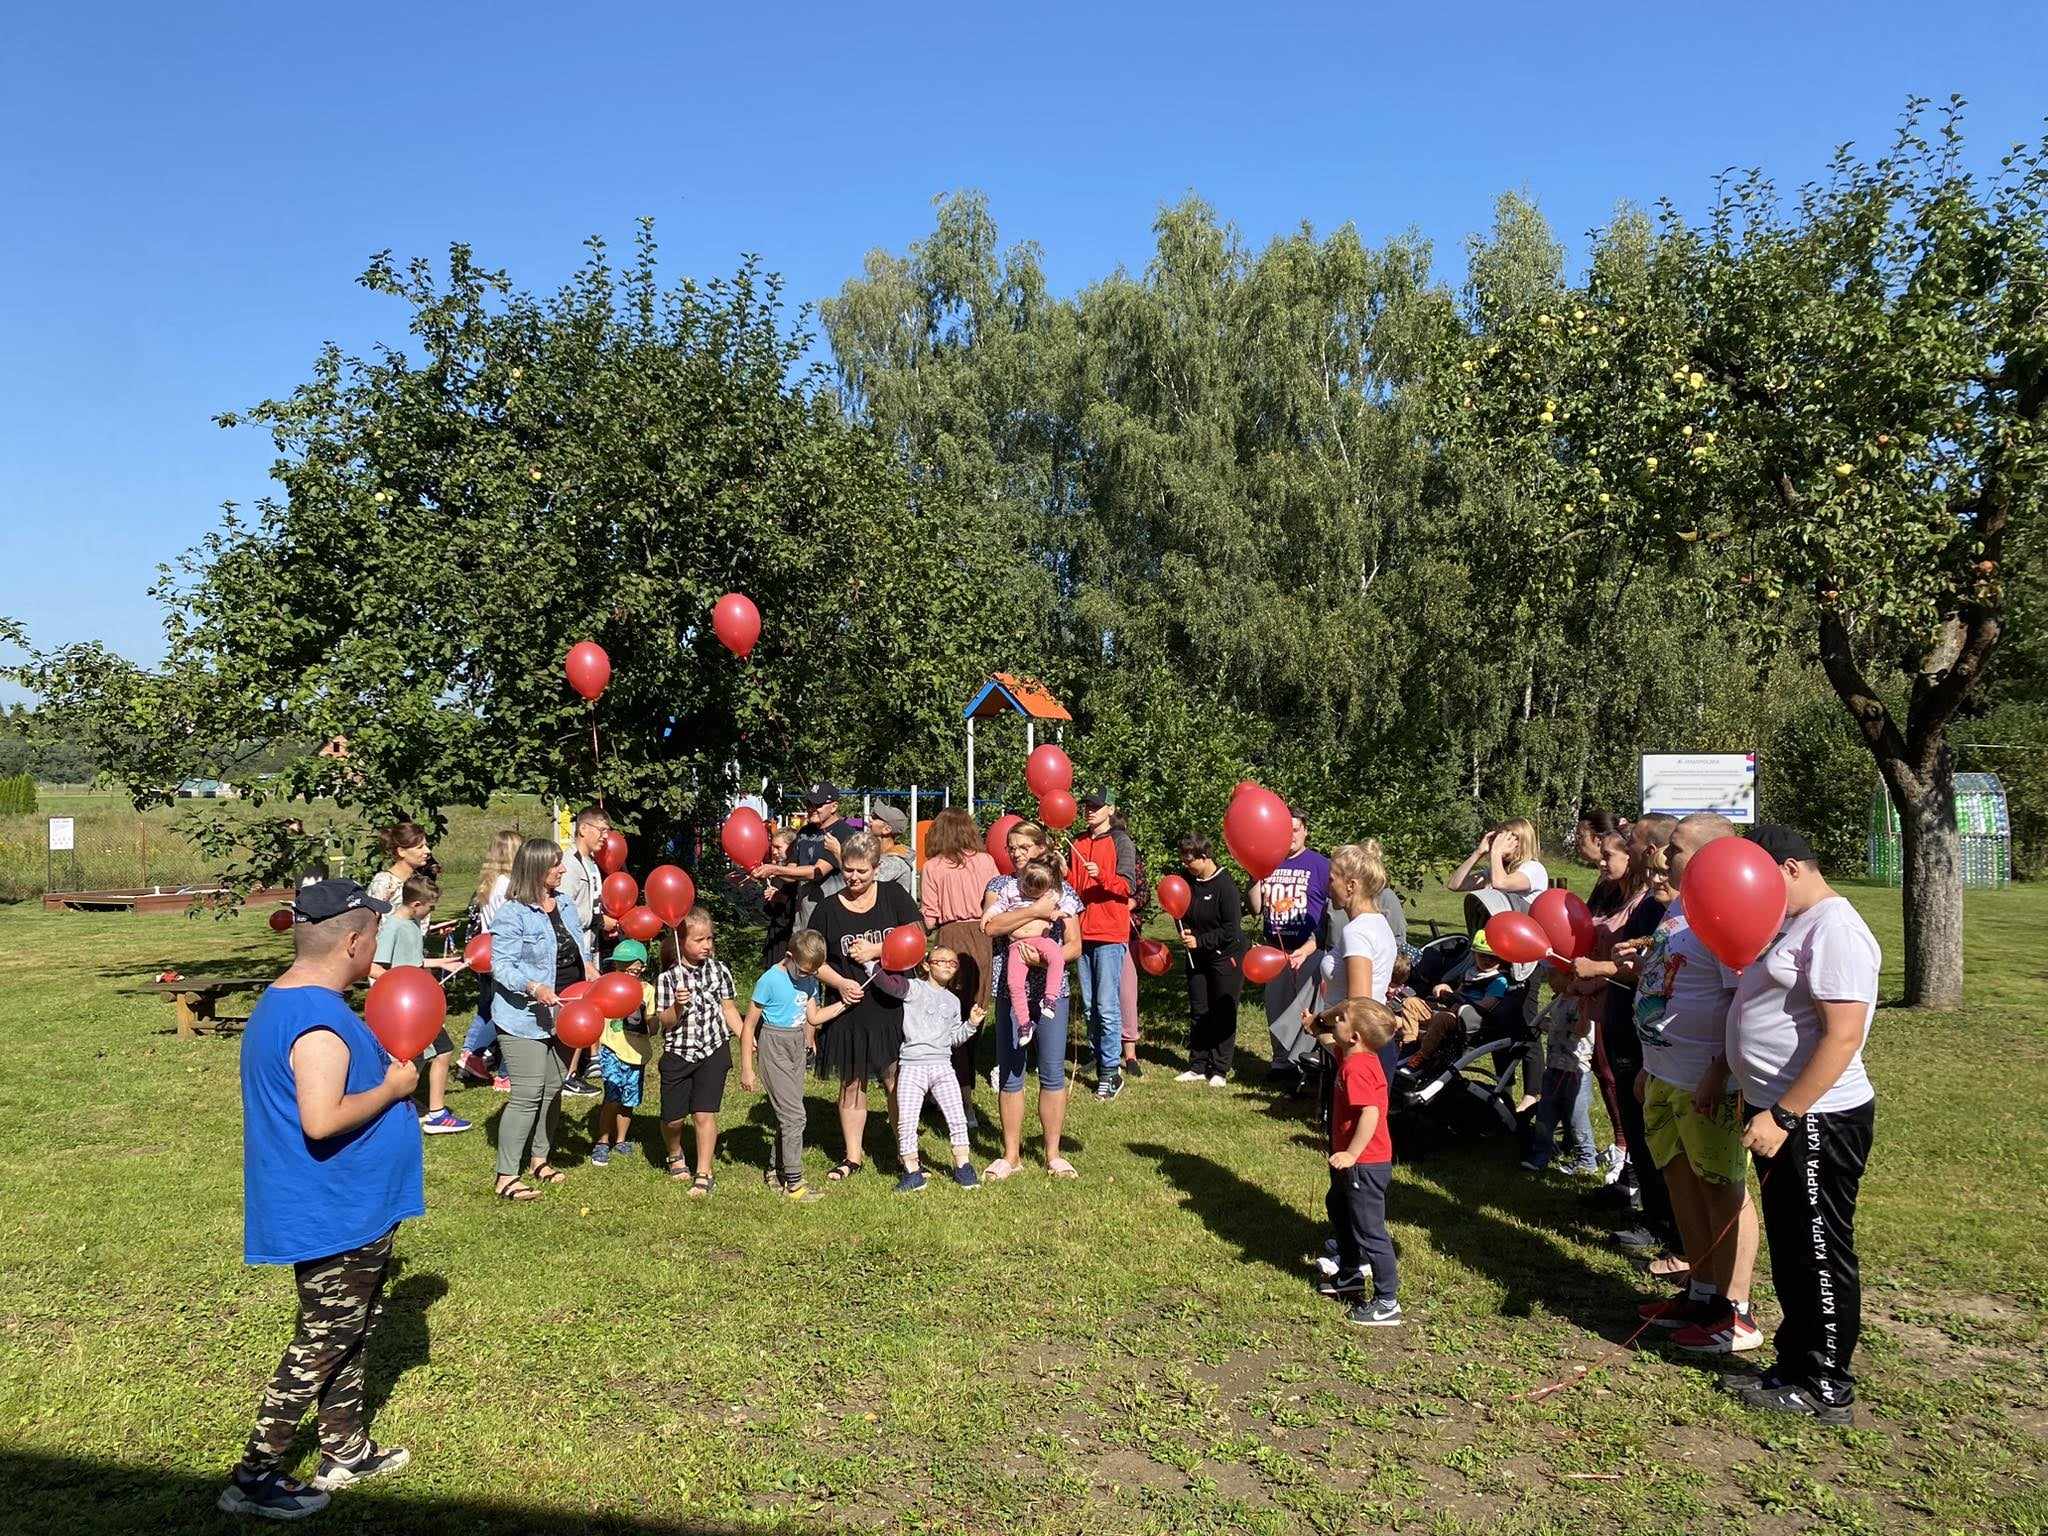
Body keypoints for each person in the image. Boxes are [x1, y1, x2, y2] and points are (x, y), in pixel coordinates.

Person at [219, 879, 422, 1520]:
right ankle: (255, 1475)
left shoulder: (295, 1002)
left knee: (347, 1331)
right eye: (375, 936)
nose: (376, 949)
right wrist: (392, 1090)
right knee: (320, 1341)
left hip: (349, 1204)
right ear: (356, 941)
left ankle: (345, 1448)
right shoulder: (317, 1020)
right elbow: (321, 1119)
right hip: (334, 1210)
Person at [1719, 823, 1880, 1425]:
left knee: (1819, 1246)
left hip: (1817, 1118)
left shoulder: (1837, 929)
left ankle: (1827, 1382)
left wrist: (1786, 1113)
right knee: (1792, 1245)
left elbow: (1843, 1036)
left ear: (1787, 869)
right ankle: (1795, 1362)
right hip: (1778, 1113)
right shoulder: (1792, 921)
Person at [1626, 813, 1762, 1355]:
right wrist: (1648, 1061)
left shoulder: (1727, 910)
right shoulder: (1680, 905)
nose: (1662, 857)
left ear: (1711, 856)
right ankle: (1701, 1291)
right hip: (1664, 1073)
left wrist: (1719, 1069)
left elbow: (1741, 1000)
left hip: (1706, 1081)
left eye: (1676, 849)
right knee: (1682, 1183)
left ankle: (1736, 1311)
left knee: (1722, 1188)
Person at [1571, 834, 1677, 1266]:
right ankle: (1647, 1203)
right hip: (1626, 1020)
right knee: (1639, 1125)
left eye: (1632, 846)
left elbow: (1666, 971)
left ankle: (1666, 1226)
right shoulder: (1653, 902)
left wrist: (1601, 968)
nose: (1651, 871)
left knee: (1655, 1131)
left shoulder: (1665, 904)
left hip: (1654, 1041)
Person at [486, 836, 595, 1201]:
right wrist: (533, 987)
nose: (563, 869)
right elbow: (501, 967)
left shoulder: (563, 904)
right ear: (535, 870)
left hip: (567, 1012)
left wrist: (592, 971)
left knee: (553, 1087)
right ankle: (505, 1176)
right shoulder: (512, 913)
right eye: (555, 865)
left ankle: (540, 1159)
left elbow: (577, 949)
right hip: (524, 1017)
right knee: (529, 1092)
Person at [809, 831, 922, 1180]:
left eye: (862, 871)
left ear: (876, 867)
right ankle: (852, 1157)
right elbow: (812, 957)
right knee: (852, 1082)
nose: (854, 878)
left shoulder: (892, 895)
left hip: (891, 1005)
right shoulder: (828, 908)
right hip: (849, 1009)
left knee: (896, 1080)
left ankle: (905, 1153)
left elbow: (917, 933)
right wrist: (840, 982)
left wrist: (877, 950)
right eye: (848, 871)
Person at [981, 821, 1084, 1179]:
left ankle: (1053, 1154)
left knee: (1053, 1072)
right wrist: (1035, 912)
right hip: (1012, 990)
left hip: (1053, 992)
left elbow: (1075, 944)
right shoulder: (1000, 886)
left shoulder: (1064, 891)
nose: (1016, 853)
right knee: (1011, 1072)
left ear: (1041, 849)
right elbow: (991, 926)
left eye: (1024, 847)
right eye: (1011, 847)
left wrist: (1046, 957)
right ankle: (1011, 1155)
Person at [1309, 998, 1403, 1327]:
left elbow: (1371, 1114)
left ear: (1355, 1036)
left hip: (1365, 1163)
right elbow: (1321, 1031)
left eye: (1343, 1018)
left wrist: (1352, 1153)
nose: (1336, 1018)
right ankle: (1349, 1274)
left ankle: (1387, 1301)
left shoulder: (1357, 1067)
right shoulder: (1350, 1052)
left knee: (1370, 1230)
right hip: (1352, 1164)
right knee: (1339, 1208)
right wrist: (1322, 1018)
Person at [739, 929, 844, 1199]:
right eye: (803, 971)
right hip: (773, 1045)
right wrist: (747, 1068)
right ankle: (795, 1185)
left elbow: (814, 1016)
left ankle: (776, 1170)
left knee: (787, 1116)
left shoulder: (809, 980)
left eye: (813, 973)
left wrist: (845, 1004)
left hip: (797, 1044)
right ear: (789, 957)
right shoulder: (770, 980)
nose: (807, 977)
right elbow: (749, 1026)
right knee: (796, 1117)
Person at [369, 874, 468, 1134]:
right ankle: (435, 1114)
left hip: (418, 1001)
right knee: (443, 1049)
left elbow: (413, 962)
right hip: (405, 1004)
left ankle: (403, 1098)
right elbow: (374, 966)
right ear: (416, 905)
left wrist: (445, 963)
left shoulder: (412, 923)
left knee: (423, 1054)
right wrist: (401, 983)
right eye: (430, 907)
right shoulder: (394, 927)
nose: (431, 912)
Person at [654, 908, 742, 1196]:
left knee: (704, 1113)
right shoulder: (668, 979)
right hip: (680, 1052)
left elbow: (728, 1009)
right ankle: (674, 1151)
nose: (707, 945)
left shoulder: (720, 970)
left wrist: (745, 1036)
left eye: (710, 939)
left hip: (713, 1049)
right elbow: (663, 1023)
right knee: (673, 1118)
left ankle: (704, 1172)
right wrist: (678, 1006)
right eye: (699, 940)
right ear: (681, 943)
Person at [918, 807, 999, 1119]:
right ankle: (963, 1099)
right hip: (984, 935)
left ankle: (958, 1099)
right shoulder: (986, 861)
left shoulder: (934, 867)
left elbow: (930, 917)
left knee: (950, 1018)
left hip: (951, 938)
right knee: (975, 1016)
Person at [1251, 809, 1332, 1091]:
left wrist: (1313, 947)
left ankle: (1302, 1063)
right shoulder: (1269, 862)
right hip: (1274, 948)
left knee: (1303, 1008)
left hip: (1307, 947)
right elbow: (1255, 907)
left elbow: (1333, 912)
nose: (1291, 836)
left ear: (1306, 830)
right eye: (1286, 831)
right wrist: (1255, 878)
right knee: (1276, 1004)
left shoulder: (1321, 865)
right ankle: (1279, 1062)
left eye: (1296, 829)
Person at [894, 946, 984, 1192]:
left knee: (957, 1116)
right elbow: (889, 984)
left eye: (953, 963)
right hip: (912, 1065)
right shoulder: (914, 988)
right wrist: (871, 964)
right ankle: (912, 1171)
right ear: (926, 965)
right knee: (907, 1120)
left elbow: (955, 1038)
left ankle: (963, 1166)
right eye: (941, 961)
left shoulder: (953, 1001)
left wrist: (972, 1024)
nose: (947, 965)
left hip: (943, 1066)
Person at [1066, 792, 1138, 1100]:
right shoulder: (1078, 841)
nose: (1090, 811)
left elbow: (1127, 886)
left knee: (1107, 1007)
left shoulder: (1121, 842)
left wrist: (1103, 876)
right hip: (1083, 932)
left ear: (1110, 809)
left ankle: (1111, 1072)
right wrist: (1062, 870)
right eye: (1087, 806)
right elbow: (1074, 886)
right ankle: (1098, 1056)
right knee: (1090, 1004)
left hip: (1109, 933)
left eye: (1096, 806)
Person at [1312, 842, 1399, 1080]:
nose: (1327, 886)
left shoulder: (1357, 932)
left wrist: (1319, 1021)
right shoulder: (1379, 922)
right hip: (1372, 1042)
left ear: (1351, 885)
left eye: (1331, 880)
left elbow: (1357, 1004)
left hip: (1358, 1048)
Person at [1175, 833, 1246, 1087]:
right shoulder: (1187, 880)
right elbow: (1178, 908)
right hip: (1197, 957)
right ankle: (1197, 1064)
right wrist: (1182, 931)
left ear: (1205, 858)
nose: (1186, 866)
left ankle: (1219, 1068)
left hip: (1226, 957)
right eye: (1183, 861)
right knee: (1199, 1010)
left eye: (1190, 861)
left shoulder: (1225, 885)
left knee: (1223, 1011)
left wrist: (1201, 941)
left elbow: (1231, 930)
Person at [554, 807, 615, 1098]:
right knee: (575, 1006)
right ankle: (565, 1073)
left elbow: (589, 907)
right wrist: (600, 921)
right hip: (573, 952)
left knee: (588, 1004)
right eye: (601, 830)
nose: (606, 837)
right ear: (583, 830)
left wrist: (603, 925)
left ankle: (577, 1067)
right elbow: (565, 913)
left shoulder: (591, 864)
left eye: (607, 831)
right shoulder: (569, 864)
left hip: (590, 946)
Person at [457, 829, 522, 1088]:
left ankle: (469, 1052)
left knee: (485, 1009)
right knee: (506, 1011)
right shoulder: (508, 885)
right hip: (503, 954)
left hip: (485, 954)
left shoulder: (489, 883)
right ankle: (491, 1063)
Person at [751, 784, 856, 933]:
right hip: (803, 916)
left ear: (834, 806)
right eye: (809, 803)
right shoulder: (804, 831)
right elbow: (792, 872)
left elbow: (817, 872)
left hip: (833, 914)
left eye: (818, 804)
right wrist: (766, 870)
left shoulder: (843, 832)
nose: (812, 808)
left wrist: (774, 869)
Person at [587, 938, 655, 1168]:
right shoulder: (608, 987)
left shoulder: (648, 991)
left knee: (629, 1100)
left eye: (631, 969)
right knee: (612, 1096)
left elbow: (653, 1027)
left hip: (637, 1053)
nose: (624, 974)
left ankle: (621, 1140)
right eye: (619, 968)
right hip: (612, 1049)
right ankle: (603, 1141)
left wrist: (644, 1019)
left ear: (641, 968)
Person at [1521, 980, 1597, 1176]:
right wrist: (1543, 1023)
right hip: (1553, 1066)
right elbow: (1554, 1024)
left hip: (1575, 1071)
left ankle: (1587, 1159)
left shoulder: (1583, 1002)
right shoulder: (1559, 999)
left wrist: (1585, 1010)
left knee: (1576, 1116)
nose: (1549, 979)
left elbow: (1583, 1030)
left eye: (1554, 974)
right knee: (1546, 1113)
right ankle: (1541, 1154)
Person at [1002, 862, 1068, 1047]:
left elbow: (1068, 903)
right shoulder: (1011, 891)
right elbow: (997, 909)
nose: (1030, 890)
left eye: (1035, 887)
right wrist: (987, 916)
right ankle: (1024, 1023)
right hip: (1017, 945)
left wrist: (1061, 912)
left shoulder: (1050, 894)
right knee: (1014, 983)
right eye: (1027, 885)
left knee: (1056, 956)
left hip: (1041, 941)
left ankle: (1050, 998)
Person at [1444, 817, 1550, 896]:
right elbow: (1454, 885)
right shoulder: (1496, 872)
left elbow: (1500, 883)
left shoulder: (1534, 868)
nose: (1498, 843)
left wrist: (1496, 852)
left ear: (1519, 842)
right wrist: (1478, 853)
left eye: (1505, 839)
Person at [756, 824, 801, 967]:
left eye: (778, 847)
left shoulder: (797, 873)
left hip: (790, 934)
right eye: (772, 847)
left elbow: (796, 904)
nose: (774, 851)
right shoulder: (776, 873)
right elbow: (769, 911)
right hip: (776, 932)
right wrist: (770, 899)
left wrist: (781, 898)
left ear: (792, 848)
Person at [365, 822, 433, 907]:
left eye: (426, 845)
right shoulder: (384, 882)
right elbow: (370, 917)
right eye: (420, 847)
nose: (427, 851)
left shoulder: (419, 880)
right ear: (401, 852)